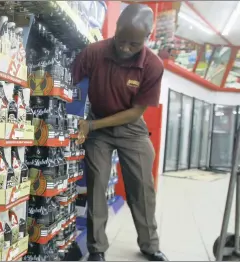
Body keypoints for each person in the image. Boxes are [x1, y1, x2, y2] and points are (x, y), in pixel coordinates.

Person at [72, 4, 168, 261]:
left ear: (146, 38)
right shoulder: (93, 53)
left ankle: (150, 245)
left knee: (142, 188)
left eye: (133, 45)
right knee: (97, 184)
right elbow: (69, 84)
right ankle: (97, 249)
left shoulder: (153, 65)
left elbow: (135, 113)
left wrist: (90, 126)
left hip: (131, 129)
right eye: (121, 41)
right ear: (114, 30)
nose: (125, 48)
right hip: (99, 125)